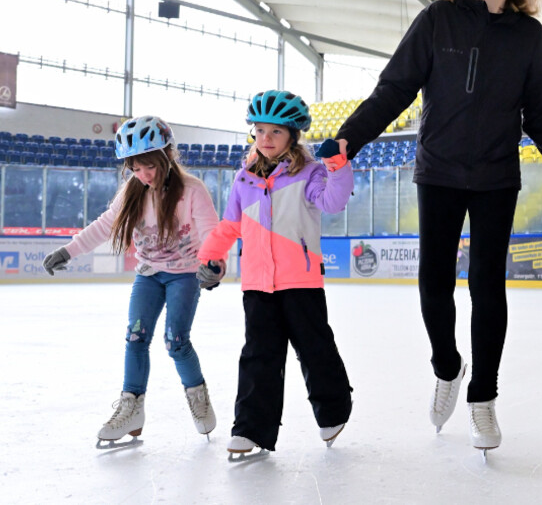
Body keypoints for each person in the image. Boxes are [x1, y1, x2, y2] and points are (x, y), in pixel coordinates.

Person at [319, 0, 542, 454]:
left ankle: (483, 397)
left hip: (495, 177)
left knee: (488, 288)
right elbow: (394, 89)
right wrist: (351, 139)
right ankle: (448, 367)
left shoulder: (530, 36)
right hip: (437, 170)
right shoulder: (437, 19)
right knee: (433, 284)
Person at [42, 116, 218, 447]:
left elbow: (210, 231)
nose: (143, 175)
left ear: (167, 155)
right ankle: (131, 407)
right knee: (135, 337)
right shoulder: (133, 192)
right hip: (149, 274)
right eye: (136, 168)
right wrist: (68, 251)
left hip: (184, 275)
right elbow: (104, 225)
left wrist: (213, 263)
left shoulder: (192, 190)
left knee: (176, 341)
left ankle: (198, 396)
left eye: (149, 166)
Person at [197, 89, 354, 459]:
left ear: (292, 135)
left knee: (315, 349)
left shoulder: (311, 172)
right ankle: (251, 429)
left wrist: (338, 167)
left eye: (276, 132)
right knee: (258, 356)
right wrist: (210, 257)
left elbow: (333, 202)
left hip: (300, 280)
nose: (265, 139)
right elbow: (229, 226)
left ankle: (333, 412)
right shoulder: (244, 179)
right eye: (260, 130)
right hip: (256, 283)